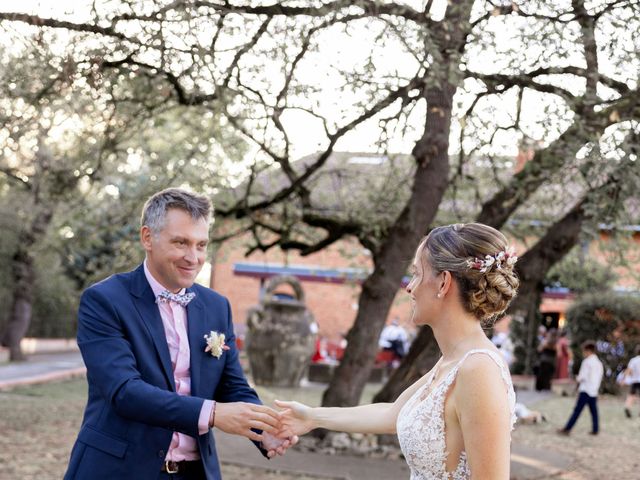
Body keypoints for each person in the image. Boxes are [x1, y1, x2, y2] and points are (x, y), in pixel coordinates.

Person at [65, 188, 295, 480]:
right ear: (147, 237)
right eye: (181, 243)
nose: (194, 257)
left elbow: (232, 385)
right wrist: (212, 414)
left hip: (196, 473)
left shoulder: (216, 306)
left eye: (201, 245)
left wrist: (264, 431)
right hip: (118, 469)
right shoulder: (104, 300)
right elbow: (124, 391)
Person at [276, 223, 519, 479]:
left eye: (416, 273)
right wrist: (312, 417)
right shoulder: (453, 361)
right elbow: (393, 414)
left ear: (443, 283)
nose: (409, 287)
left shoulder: (478, 369)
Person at [557, 340, 604, 436]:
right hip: (593, 390)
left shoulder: (587, 362)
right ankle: (595, 429)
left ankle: (567, 428)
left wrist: (577, 378)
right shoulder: (599, 363)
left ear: (588, 350)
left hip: (585, 389)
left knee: (577, 410)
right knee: (594, 411)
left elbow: (582, 376)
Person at [623, 345, 640, 418]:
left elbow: (629, 370)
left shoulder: (633, 360)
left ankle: (627, 407)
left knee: (631, 395)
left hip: (635, 380)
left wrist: (624, 379)